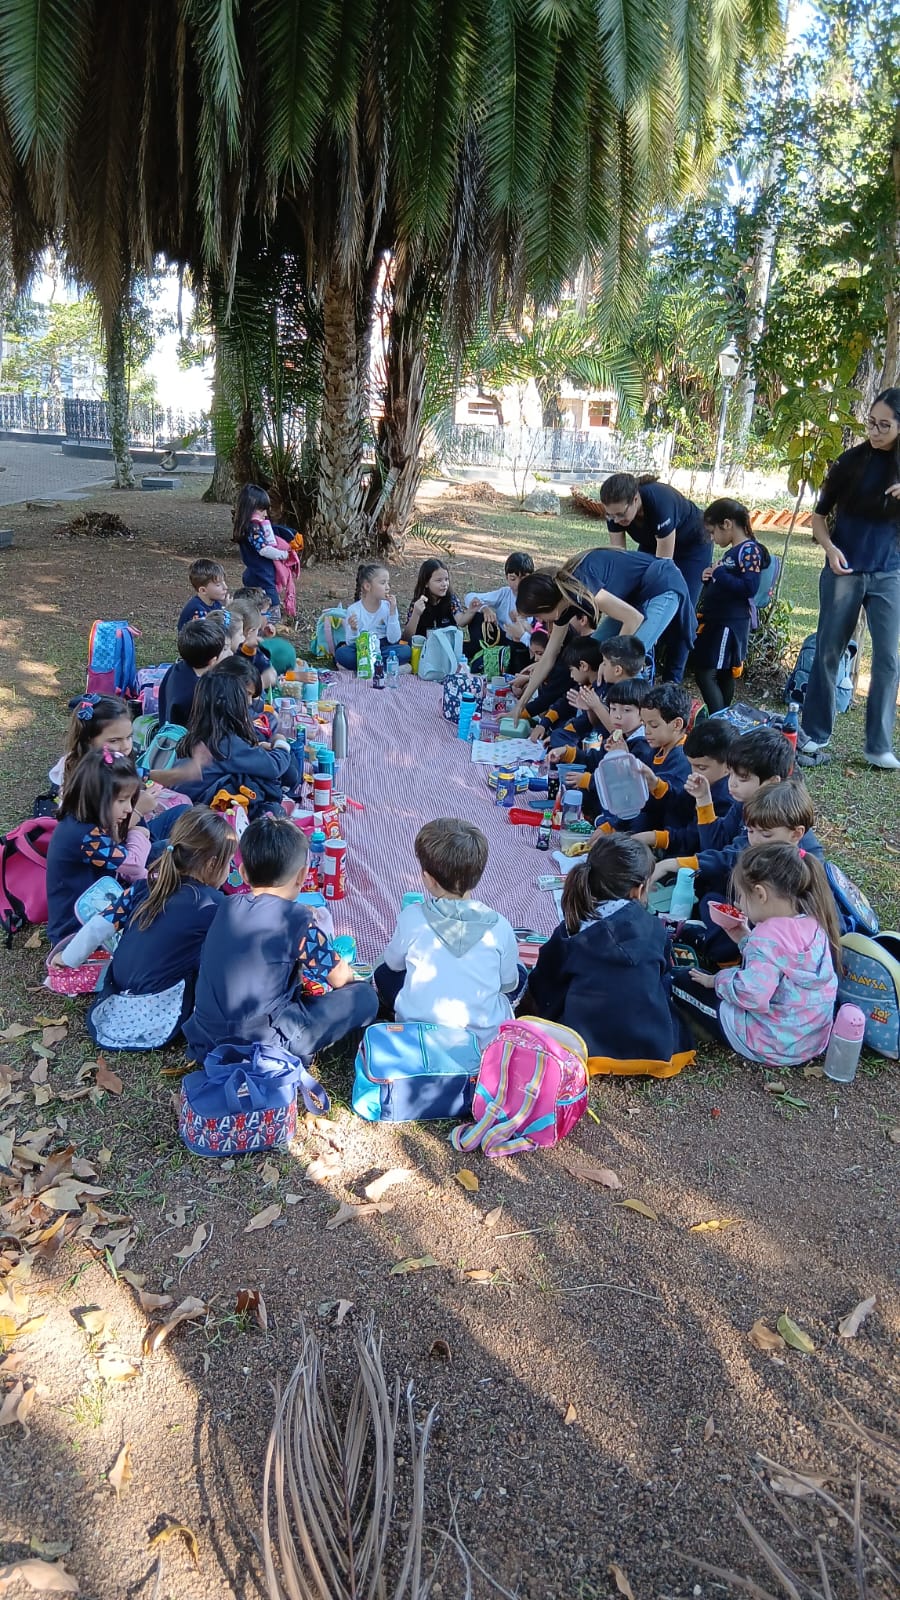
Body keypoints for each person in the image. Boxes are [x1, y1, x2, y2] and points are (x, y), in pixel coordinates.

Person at [184, 816, 377, 1063]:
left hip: (206, 1041)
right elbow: (340, 977)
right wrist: (354, 979)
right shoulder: (295, 919)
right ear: (302, 876)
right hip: (265, 1043)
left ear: (243, 873)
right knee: (364, 997)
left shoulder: (225, 907)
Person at [522, 835, 694, 1078]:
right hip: (654, 1047)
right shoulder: (654, 927)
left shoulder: (573, 928)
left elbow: (544, 981)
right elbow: (662, 974)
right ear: (639, 888)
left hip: (584, 1047)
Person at [798, 388, 900, 769]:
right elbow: (819, 516)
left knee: (888, 659)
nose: (875, 431)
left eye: (884, 425)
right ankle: (814, 735)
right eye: (871, 423)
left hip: (889, 573)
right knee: (829, 650)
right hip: (845, 569)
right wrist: (829, 549)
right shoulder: (850, 462)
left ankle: (878, 746)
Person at [672, 843, 840, 1067]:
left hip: (769, 1045)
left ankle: (698, 1023)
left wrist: (716, 980)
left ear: (760, 894)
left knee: (680, 980)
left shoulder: (766, 936)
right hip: (807, 1040)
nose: (739, 904)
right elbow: (780, 965)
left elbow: (752, 995)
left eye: (741, 896)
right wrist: (744, 939)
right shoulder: (813, 923)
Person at [86, 807, 237, 1050]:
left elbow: (100, 924)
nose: (229, 869)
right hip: (156, 1016)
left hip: (112, 1002)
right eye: (229, 862)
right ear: (211, 864)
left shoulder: (145, 886)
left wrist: (68, 958)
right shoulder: (212, 904)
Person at [374, 819, 523, 1047]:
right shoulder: (500, 927)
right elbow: (508, 984)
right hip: (482, 1039)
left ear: (428, 879)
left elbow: (393, 965)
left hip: (419, 1029)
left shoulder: (412, 918)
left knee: (382, 972)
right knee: (520, 974)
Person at [658, 774, 824, 967]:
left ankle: (725, 955)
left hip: (776, 948)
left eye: (766, 834)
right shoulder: (762, 848)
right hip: (757, 930)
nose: (754, 840)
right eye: (750, 831)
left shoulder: (799, 872)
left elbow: (756, 987)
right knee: (710, 901)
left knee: (720, 940)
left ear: (796, 834)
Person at [514, 548, 695, 717]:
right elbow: (548, 657)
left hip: (662, 585)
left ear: (546, 606)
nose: (539, 620)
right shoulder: (562, 601)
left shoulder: (580, 586)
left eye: (536, 614)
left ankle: (643, 725)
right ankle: (589, 721)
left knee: (622, 666)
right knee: (590, 657)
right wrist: (520, 706)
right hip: (633, 598)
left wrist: (610, 659)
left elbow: (633, 619)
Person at [46, 751, 154, 947]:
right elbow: (134, 864)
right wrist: (137, 833)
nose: (129, 809)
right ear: (95, 796)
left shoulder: (87, 819)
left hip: (99, 905)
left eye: (131, 800)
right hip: (77, 932)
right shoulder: (85, 835)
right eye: (122, 801)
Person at [165, 672, 295, 817]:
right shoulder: (226, 743)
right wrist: (280, 741)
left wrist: (256, 747)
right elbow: (275, 766)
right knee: (270, 783)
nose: (250, 703)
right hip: (204, 815)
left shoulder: (199, 734)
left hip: (185, 809)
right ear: (233, 707)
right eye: (244, 699)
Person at [694, 499, 769, 712]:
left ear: (726, 524)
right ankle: (723, 721)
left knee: (706, 673)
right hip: (719, 620)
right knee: (723, 671)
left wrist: (719, 573)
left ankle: (719, 719)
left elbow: (749, 588)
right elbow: (728, 580)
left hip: (729, 622)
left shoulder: (749, 551)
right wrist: (710, 577)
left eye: (712, 531)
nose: (712, 537)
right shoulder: (735, 551)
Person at [600, 472, 712, 607]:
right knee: (639, 596)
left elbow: (663, 565)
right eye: (611, 515)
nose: (616, 520)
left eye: (620, 514)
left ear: (635, 499)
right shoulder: (614, 512)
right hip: (653, 542)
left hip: (692, 545)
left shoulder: (660, 501)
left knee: (680, 603)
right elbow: (619, 557)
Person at [635, 717, 734, 854]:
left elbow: (693, 839)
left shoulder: (726, 799)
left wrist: (653, 838)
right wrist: (655, 784)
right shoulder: (702, 781)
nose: (694, 772)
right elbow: (681, 803)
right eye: (691, 765)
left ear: (728, 766)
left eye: (702, 767)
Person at [51, 694, 134, 798]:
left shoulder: (116, 758)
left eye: (129, 736)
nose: (126, 746)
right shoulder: (87, 776)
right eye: (114, 741)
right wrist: (138, 808)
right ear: (88, 740)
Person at [334, 562, 411, 670]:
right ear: (367, 586)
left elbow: (394, 639)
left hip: (383, 645)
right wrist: (354, 629)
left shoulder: (388, 607)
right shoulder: (354, 610)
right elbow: (350, 642)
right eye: (383, 583)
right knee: (342, 653)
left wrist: (393, 612)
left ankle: (366, 666)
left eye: (388, 583)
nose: (388, 587)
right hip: (363, 648)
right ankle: (386, 667)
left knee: (405, 651)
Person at [531, 638, 605, 749]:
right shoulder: (583, 685)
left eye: (571, 670)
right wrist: (543, 725)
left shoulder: (599, 691)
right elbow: (562, 704)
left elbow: (583, 723)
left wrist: (558, 735)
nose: (571, 675)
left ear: (583, 666)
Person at [464, 551, 535, 666]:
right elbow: (469, 597)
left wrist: (521, 623)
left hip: (523, 645)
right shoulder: (504, 594)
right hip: (501, 640)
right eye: (513, 579)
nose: (518, 584)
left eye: (523, 579)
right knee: (478, 617)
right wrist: (484, 608)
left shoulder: (536, 598)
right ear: (507, 577)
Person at [158, 615, 229, 728]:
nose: (230, 653)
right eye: (225, 649)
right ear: (213, 661)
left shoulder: (177, 668)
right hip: (185, 742)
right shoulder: (200, 695)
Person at [232, 483, 287, 619]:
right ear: (252, 507)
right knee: (271, 604)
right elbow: (263, 549)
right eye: (262, 509)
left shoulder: (245, 526)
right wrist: (282, 554)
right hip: (262, 573)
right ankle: (270, 620)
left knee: (254, 604)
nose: (265, 514)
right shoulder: (254, 527)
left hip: (252, 572)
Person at [402, 559, 479, 640]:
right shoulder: (418, 603)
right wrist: (416, 613)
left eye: (446, 579)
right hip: (423, 647)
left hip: (447, 647)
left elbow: (460, 621)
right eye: (439, 580)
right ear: (426, 583)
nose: (444, 584)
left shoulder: (451, 599)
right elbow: (407, 637)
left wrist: (471, 611)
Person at [233, 586, 298, 676]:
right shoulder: (241, 645)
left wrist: (265, 637)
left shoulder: (244, 633)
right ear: (256, 613)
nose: (268, 616)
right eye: (266, 612)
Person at [227, 595, 278, 690]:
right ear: (250, 632)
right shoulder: (231, 660)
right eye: (257, 631)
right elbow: (239, 696)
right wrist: (262, 682)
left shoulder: (244, 651)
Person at [177, 559, 230, 630]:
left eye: (224, 582)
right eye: (218, 585)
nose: (225, 587)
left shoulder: (215, 603)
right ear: (203, 590)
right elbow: (214, 634)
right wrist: (228, 612)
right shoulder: (198, 611)